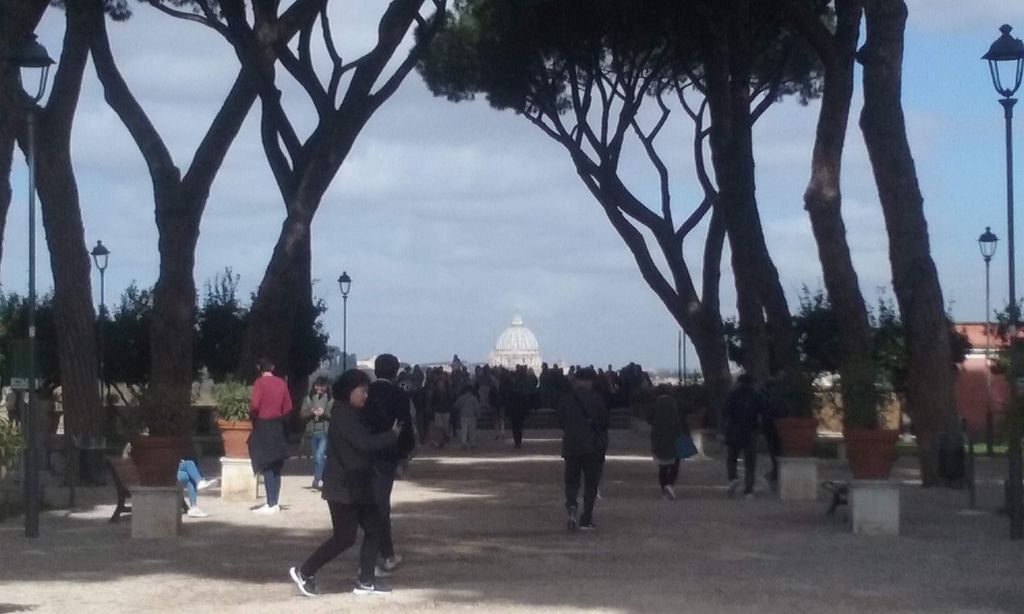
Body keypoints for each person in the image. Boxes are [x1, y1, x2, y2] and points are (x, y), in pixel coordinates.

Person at [289, 369, 402, 597]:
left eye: (367, 391)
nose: (365, 396)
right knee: (344, 537)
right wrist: (392, 435)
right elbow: (364, 443)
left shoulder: (350, 414)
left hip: (355, 485)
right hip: (344, 488)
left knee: (373, 528)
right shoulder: (343, 416)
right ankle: (305, 571)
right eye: (362, 391)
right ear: (349, 391)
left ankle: (365, 581)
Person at [362, 354, 416, 577]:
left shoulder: (366, 392)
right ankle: (380, 556)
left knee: (371, 503)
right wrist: (405, 453)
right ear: (395, 372)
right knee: (381, 505)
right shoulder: (399, 395)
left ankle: (384, 552)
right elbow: (405, 426)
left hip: (364, 452)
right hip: (387, 454)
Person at [556, 367, 609, 531]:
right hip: (592, 447)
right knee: (591, 484)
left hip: (571, 446)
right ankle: (586, 518)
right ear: (590, 382)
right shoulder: (597, 399)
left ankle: (572, 504)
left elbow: (560, 421)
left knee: (571, 481)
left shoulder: (566, 399)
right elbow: (604, 421)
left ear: (576, 381)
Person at [249, 357, 292, 514]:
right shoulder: (281, 383)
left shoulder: (259, 383)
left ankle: (270, 503)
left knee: (266, 463)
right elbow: (288, 406)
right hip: (278, 425)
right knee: (277, 464)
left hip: (264, 424)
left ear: (259, 368)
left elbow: (254, 405)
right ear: (272, 368)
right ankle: (275, 502)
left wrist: (255, 416)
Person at [722, 373, 766, 498]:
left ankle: (733, 477)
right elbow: (763, 412)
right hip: (751, 431)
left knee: (732, 458)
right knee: (750, 462)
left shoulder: (733, 395)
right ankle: (748, 490)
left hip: (734, 430)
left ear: (739, 382)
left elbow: (725, 411)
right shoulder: (757, 396)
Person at [301, 378, 332, 490]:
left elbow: (333, 415)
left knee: (320, 456)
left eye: (322, 386)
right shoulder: (308, 399)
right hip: (312, 431)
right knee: (316, 458)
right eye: (317, 386)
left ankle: (318, 480)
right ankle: (320, 479)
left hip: (324, 432)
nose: (319, 388)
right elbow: (302, 414)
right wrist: (311, 412)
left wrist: (324, 413)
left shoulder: (330, 400)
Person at [650, 395, 683, 500]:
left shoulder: (656, 417)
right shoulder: (675, 415)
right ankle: (670, 482)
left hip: (660, 443)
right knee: (675, 464)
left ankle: (664, 489)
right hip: (673, 442)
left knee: (662, 467)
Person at [454, 384, 480, 448]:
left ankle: (464, 442)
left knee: (464, 429)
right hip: (472, 416)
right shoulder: (474, 398)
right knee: (472, 430)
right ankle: (472, 443)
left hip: (463, 415)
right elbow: (476, 408)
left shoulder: (461, 397)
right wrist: (478, 415)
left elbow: (456, 405)